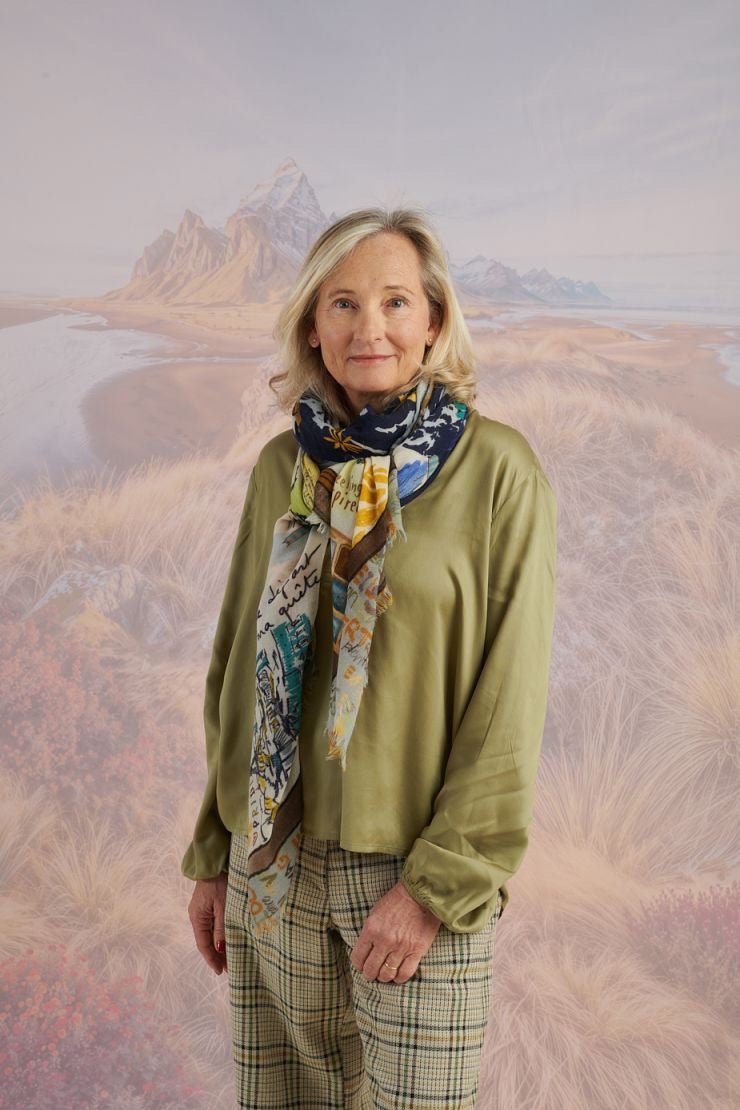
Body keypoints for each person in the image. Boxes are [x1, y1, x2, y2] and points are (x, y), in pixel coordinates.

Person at [182, 206, 558, 1109]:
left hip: (414, 877)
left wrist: (435, 889)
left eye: (395, 300)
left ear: (433, 320)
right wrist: (213, 851)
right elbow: (241, 664)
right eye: (342, 303)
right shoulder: (282, 466)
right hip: (269, 863)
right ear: (314, 324)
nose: (370, 327)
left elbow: (509, 700)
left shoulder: (499, 472)